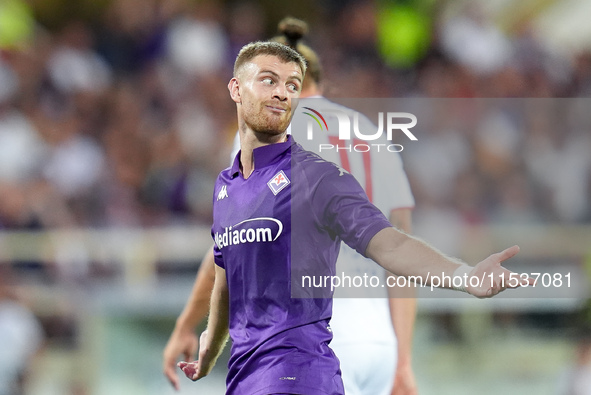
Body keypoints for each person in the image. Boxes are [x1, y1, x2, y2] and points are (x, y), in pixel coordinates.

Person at [175, 41, 530, 395]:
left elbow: (391, 243)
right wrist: (210, 348)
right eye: (269, 80)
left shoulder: (315, 177)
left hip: (300, 376)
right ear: (236, 88)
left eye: (292, 85)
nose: (282, 93)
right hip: (246, 379)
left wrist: (464, 276)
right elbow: (227, 280)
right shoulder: (227, 187)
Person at [164, 17, 418, 395]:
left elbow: (231, 246)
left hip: (309, 339)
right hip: (377, 338)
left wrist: (187, 324)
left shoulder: (268, 131)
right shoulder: (371, 131)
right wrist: (403, 359)